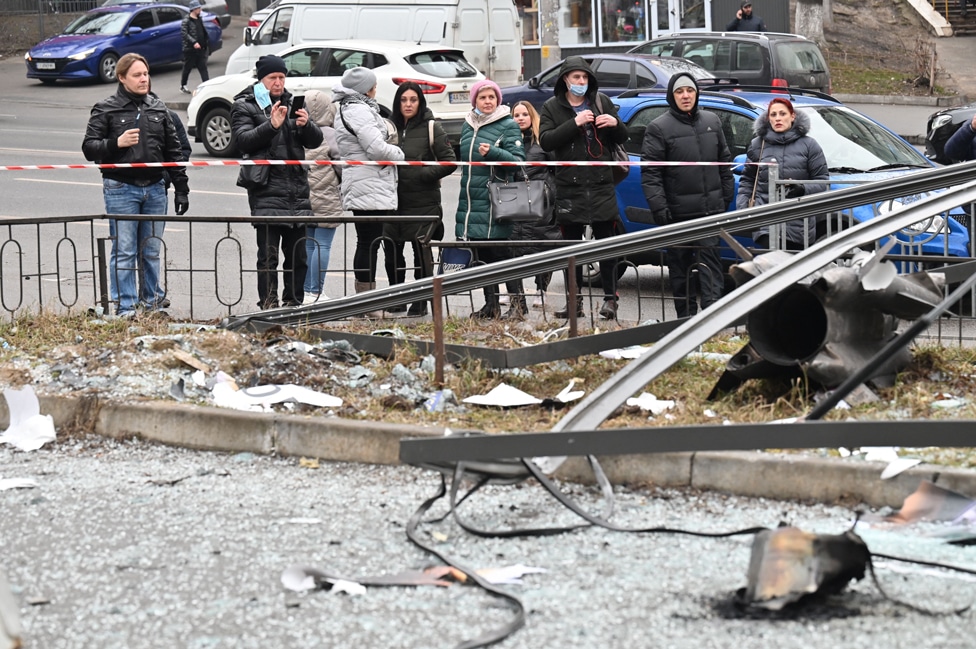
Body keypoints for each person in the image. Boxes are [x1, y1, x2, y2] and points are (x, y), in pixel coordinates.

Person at [82, 52, 189, 318]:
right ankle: (125, 307)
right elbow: (88, 148)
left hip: (154, 189)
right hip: (121, 187)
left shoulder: (158, 107)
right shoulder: (106, 108)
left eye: (146, 73)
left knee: (151, 250)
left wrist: (181, 188)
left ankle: (152, 303)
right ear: (121, 78)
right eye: (137, 75)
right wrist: (115, 143)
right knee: (125, 250)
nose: (144, 79)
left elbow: (174, 151)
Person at [539, 56, 629, 321]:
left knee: (607, 245)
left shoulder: (601, 102)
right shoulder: (551, 107)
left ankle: (610, 300)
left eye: (585, 77)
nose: (581, 82)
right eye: (576, 77)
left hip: (601, 185)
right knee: (571, 248)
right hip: (570, 186)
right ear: (565, 79)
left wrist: (615, 123)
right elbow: (546, 141)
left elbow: (623, 137)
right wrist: (574, 123)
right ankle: (574, 301)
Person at [231, 54, 323, 310]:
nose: (278, 83)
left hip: (297, 191)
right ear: (261, 79)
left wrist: (307, 125)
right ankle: (269, 306)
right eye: (273, 77)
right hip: (267, 191)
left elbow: (314, 142)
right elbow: (242, 141)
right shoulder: (245, 105)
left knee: (299, 257)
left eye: (282, 77)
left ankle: (293, 304)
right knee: (268, 257)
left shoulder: (291, 101)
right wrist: (271, 125)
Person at [640, 72, 734, 319]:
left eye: (689, 91)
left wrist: (725, 195)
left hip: (710, 212)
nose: (685, 96)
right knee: (680, 272)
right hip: (677, 215)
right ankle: (685, 320)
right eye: (679, 92)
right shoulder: (659, 127)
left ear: (696, 93)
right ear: (672, 96)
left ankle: (712, 320)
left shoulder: (712, 121)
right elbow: (651, 174)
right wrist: (660, 209)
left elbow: (723, 162)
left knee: (711, 269)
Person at [333, 67, 405, 309]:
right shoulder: (359, 110)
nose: (376, 90)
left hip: (365, 182)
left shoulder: (350, 107)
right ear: (365, 89)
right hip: (368, 183)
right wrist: (399, 154)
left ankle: (365, 300)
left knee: (367, 241)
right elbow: (376, 149)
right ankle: (366, 302)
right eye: (373, 86)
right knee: (369, 242)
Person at [455, 79, 526, 320]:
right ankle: (491, 305)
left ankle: (518, 305)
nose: (487, 102)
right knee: (483, 256)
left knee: (502, 255)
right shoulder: (467, 126)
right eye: (483, 97)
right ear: (475, 100)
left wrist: (493, 153)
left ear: (498, 100)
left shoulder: (508, 125)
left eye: (491, 97)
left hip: (497, 199)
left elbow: (517, 161)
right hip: (471, 201)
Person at [388, 81, 458, 317]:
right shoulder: (388, 127)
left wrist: (423, 174)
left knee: (421, 253)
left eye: (413, 100)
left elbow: (449, 161)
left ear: (420, 102)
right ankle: (396, 297)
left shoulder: (431, 127)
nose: (408, 104)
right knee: (392, 251)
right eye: (404, 100)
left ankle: (420, 299)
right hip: (393, 201)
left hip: (423, 202)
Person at [736, 97, 829, 250]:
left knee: (795, 271)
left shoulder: (809, 145)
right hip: (765, 224)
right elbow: (747, 180)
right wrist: (744, 209)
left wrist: (802, 188)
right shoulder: (757, 145)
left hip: (799, 225)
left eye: (782, 114)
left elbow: (823, 181)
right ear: (768, 119)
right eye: (773, 115)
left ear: (792, 116)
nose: (778, 118)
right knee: (770, 268)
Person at [511, 100, 562, 309]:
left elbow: (557, 169)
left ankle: (542, 290)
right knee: (513, 247)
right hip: (514, 202)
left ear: (532, 117)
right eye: (516, 115)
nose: (520, 118)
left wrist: (550, 193)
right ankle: (515, 291)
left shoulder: (543, 142)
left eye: (525, 114)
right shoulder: (507, 141)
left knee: (542, 246)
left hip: (541, 202)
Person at [302, 89, 343, 305]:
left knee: (309, 244)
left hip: (305, 195)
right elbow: (340, 164)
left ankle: (307, 291)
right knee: (323, 244)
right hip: (326, 194)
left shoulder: (300, 131)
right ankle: (315, 291)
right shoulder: (330, 133)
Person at [179, 0, 210, 94]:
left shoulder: (199, 19)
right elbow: (185, 34)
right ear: (194, 9)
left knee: (203, 67)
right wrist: (194, 42)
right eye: (198, 8)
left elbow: (202, 31)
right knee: (187, 67)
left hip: (200, 49)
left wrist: (206, 41)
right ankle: (183, 85)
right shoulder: (186, 21)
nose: (200, 9)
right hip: (190, 50)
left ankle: (207, 85)